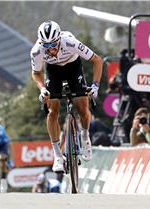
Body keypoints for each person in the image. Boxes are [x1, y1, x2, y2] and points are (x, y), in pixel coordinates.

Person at [30, 20, 103, 172]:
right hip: (53, 71)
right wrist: (42, 89)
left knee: (82, 107)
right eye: (46, 46)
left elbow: (97, 60)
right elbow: (36, 73)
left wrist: (95, 86)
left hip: (73, 68)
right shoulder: (37, 51)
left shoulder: (69, 42)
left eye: (53, 44)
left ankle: (84, 136)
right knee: (52, 111)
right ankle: (57, 155)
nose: (50, 49)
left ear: (59, 40)